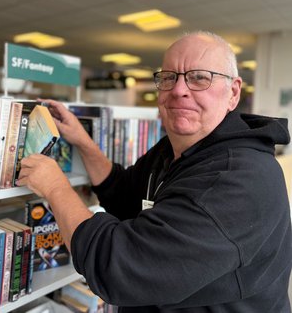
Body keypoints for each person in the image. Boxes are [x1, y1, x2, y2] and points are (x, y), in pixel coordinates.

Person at [17, 31, 292, 312]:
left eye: (199, 77)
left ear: (233, 92)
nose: (178, 90)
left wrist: (56, 188)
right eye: (169, 77)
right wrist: (83, 142)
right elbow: (124, 192)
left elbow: (117, 270)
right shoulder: (173, 149)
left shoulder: (239, 178)